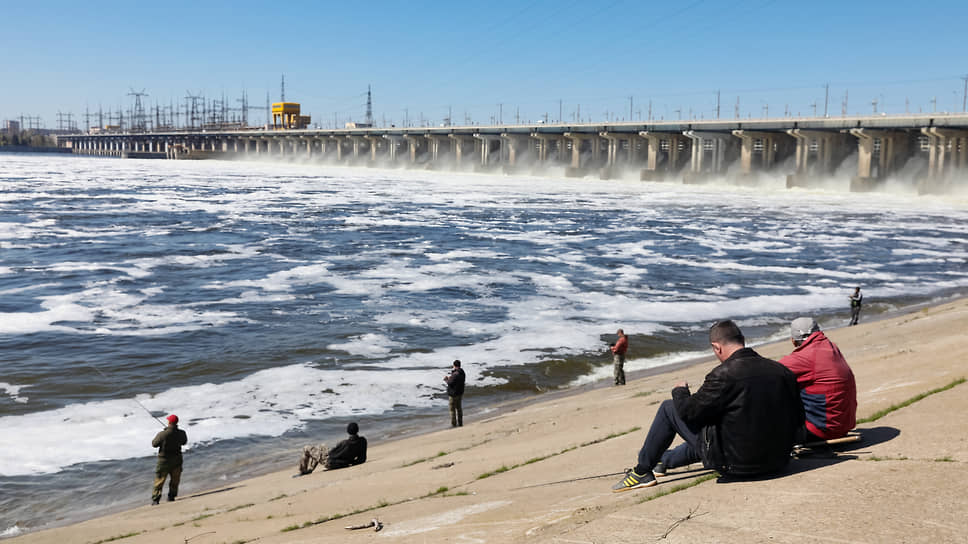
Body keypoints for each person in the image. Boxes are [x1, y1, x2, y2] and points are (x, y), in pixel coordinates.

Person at [612, 320, 803, 492]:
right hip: (779, 461)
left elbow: (689, 414)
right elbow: (799, 418)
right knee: (712, 429)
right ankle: (663, 461)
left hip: (736, 465)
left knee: (669, 408)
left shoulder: (723, 374)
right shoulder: (781, 371)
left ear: (716, 347)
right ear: (742, 340)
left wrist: (680, 391)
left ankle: (641, 472)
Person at [780, 317, 857, 441]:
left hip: (821, 431)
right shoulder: (832, 347)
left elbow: (769, 373)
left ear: (793, 341)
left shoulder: (803, 358)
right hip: (843, 425)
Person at [297, 422, 367, 475]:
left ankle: (303, 470)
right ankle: (311, 469)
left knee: (306, 448)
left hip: (331, 463)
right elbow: (362, 459)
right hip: (344, 462)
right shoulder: (363, 441)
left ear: (348, 431)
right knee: (321, 446)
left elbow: (331, 454)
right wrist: (350, 462)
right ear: (358, 430)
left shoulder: (345, 443)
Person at [151, 414, 188, 504]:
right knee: (175, 479)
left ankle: (156, 500)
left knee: (159, 480)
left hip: (164, 460)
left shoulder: (162, 434)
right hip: (177, 459)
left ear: (169, 422)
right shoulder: (182, 433)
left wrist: (165, 433)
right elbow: (184, 442)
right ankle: (171, 497)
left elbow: (154, 444)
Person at [444, 359, 465, 427]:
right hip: (460, 393)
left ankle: (454, 424)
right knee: (459, 409)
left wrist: (446, 379)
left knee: (452, 410)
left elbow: (450, 383)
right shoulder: (462, 372)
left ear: (454, 365)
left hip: (453, 394)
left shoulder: (455, 374)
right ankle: (460, 423)